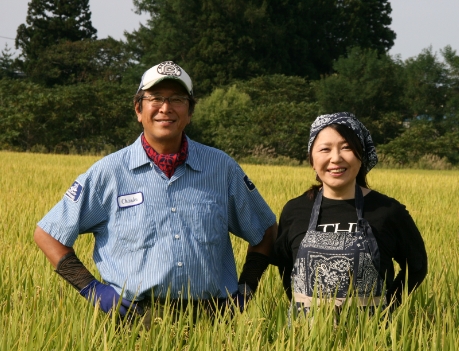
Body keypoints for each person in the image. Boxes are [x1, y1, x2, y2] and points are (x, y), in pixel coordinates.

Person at [34, 61, 277, 325]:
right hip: (134, 321)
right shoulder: (110, 172)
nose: (165, 108)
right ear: (139, 109)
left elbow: (265, 230)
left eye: (177, 99)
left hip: (212, 322)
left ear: (190, 111)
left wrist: (246, 288)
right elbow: (48, 234)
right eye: (156, 98)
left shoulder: (221, 168)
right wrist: (93, 290)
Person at [273, 112, 427, 315]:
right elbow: (286, 269)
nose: (335, 158)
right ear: (312, 159)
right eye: (325, 149)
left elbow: (417, 266)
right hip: (304, 337)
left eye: (346, 147)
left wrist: (388, 305)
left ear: (361, 156)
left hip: (372, 338)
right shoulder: (295, 211)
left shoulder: (388, 211)